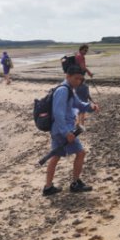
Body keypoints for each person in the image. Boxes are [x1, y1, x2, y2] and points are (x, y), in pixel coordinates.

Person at [43, 65, 99, 196]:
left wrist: (91, 107)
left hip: (58, 130)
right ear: (67, 76)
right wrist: (66, 133)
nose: (78, 81)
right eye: (76, 78)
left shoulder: (69, 90)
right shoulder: (63, 91)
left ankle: (48, 187)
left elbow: (79, 105)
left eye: (81, 79)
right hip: (63, 130)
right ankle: (75, 184)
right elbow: (58, 113)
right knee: (81, 153)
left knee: (55, 156)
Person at [74, 44, 94, 127]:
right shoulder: (80, 56)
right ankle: (81, 124)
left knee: (79, 102)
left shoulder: (76, 55)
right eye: (85, 50)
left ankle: (78, 123)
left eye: (87, 51)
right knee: (83, 102)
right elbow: (82, 67)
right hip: (80, 80)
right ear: (81, 49)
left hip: (76, 81)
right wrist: (89, 72)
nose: (86, 52)